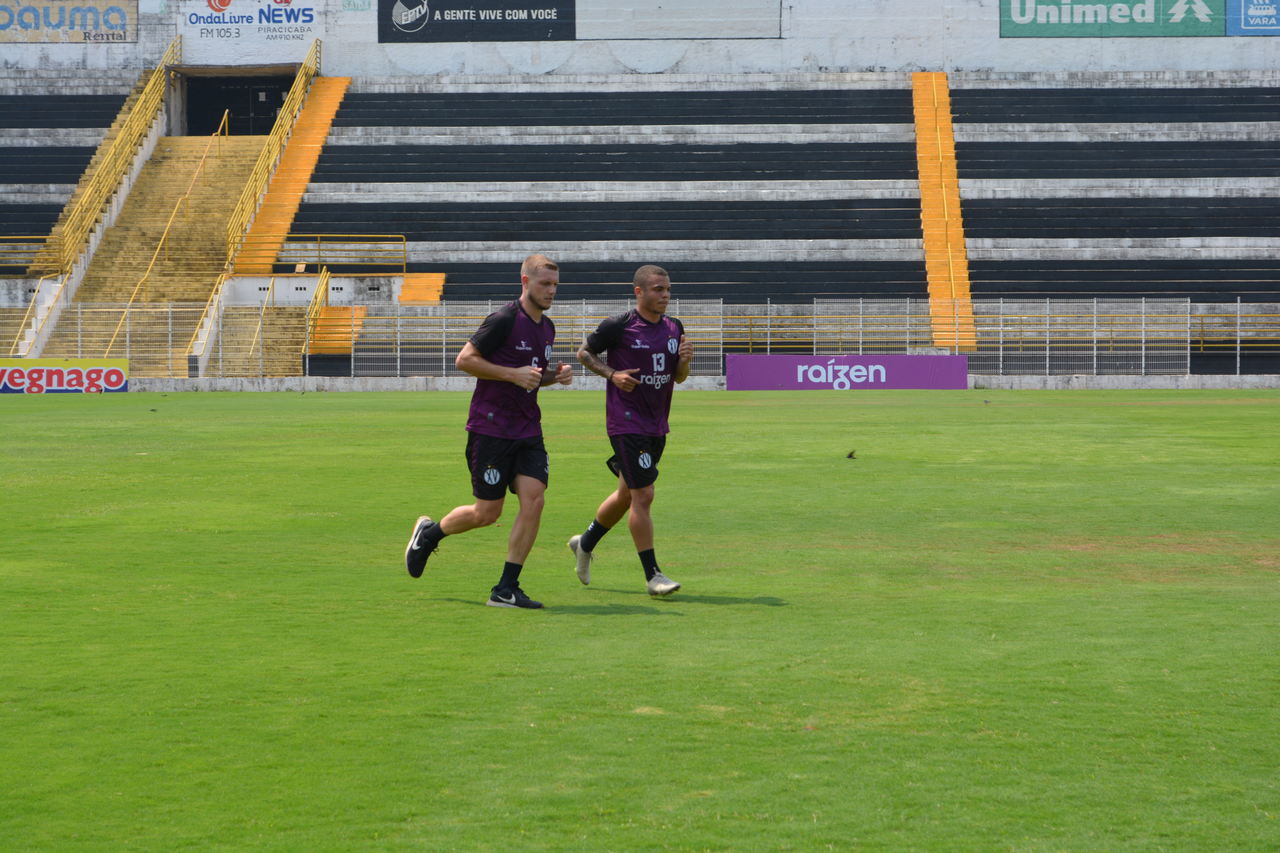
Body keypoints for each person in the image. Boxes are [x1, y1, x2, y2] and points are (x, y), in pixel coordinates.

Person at [404, 254, 573, 609]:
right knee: (487, 513)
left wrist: (553, 376)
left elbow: (531, 376)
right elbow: (464, 360)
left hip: (528, 429)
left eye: (555, 285)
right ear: (525, 282)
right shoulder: (504, 319)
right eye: (545, 283)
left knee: (535, 499)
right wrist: (513, 374)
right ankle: (429, 534)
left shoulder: (548, 328)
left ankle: (506, 588)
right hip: (491, 428)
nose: (551, 291)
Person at [568, 264, 694, 596]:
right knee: (644, 495)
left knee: (626, 495)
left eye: (667, 289)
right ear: (639, 292)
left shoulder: (674, 327)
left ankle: (586, 542)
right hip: (626, 422)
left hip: (657, 425)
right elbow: (583, 353)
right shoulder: (619, 326)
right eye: (657, 290)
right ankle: (653, 575)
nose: (665, 295)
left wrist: (683, 360)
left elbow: (678, 377)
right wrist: (612, 375)